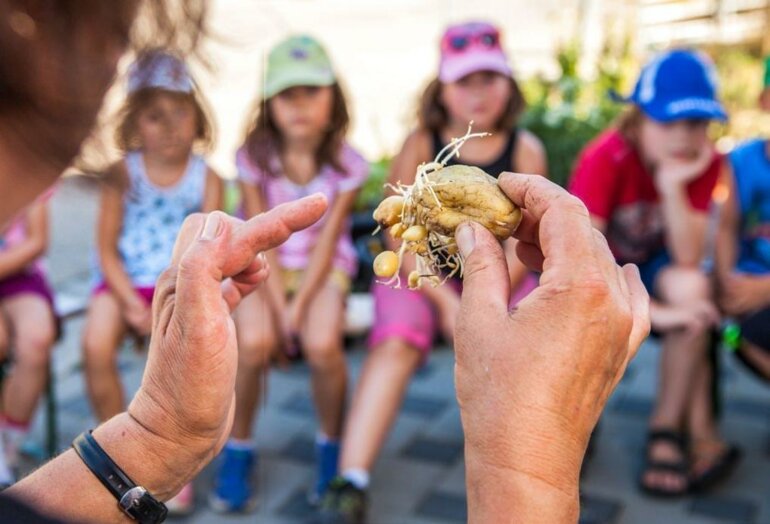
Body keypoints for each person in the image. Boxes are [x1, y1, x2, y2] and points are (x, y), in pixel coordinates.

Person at [0, 1, 649, 521]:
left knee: (323, 343)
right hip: (380, 287)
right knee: (301, 343)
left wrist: (159, 436)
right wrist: (526, 471)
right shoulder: (383, 150)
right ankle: (315, 466)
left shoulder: (473, 153)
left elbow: (469, 247)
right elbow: (400, 235)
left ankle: (334, 455)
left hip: (355, 283)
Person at [319, 20, 547, 523]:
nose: (478, 92)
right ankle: (349, 478)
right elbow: (395, 231)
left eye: (489, 78)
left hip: (501, 275)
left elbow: (529, 239)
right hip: (422, 273)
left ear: (508, 84)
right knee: (395, 341)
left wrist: (484, 296)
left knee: (523, 348)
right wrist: (448, 301)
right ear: (441, 89)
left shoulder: (525, 149)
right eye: (464, 81)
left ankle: (532, 467)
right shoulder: (423, 142)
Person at [569, 49, 739, 496]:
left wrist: (671, 184)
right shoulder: (604, 157)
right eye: (669, 123)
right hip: (599, 266)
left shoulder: (703, 162)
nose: (684, 137)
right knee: (584, 310)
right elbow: (585, 253)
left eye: (697, 124)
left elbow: (686, 257)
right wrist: (657, 314)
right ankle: (573, 421)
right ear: (637, 118)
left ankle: (665, 427)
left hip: (657, 269)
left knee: (694, 288)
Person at [209, 35, 368, 512]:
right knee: (253, 341)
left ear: (333, 96)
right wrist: (279, 309)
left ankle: (331, 446)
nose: (299, 105)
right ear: (268, 103)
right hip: (264, 266)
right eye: (286, 94)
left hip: (322, 271)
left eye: (311, 92)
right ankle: (239, 446)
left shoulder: (348, 162)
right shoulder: (254, 158)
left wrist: (297, 312)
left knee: (322, 343)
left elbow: (327, 245)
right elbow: (259, 236)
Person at [80, 49, 222, 514]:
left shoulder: (208, 178)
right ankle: (120, 448)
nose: (169, 126)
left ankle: (172, 457)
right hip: (123, 281)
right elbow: (105, 247)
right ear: (133, 121)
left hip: (181, 281)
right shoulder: (124, 173)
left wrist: (170, 299)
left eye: (180, 112)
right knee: (96, 345)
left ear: (198, 116)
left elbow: (208, 247)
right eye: (154, 116)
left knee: (186, 358)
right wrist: (129, 302)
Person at [716, 56, 770, 383]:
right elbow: (725, 227)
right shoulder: (741, 161)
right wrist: (726, 281)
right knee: (736, 335)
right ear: (764, 100)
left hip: (763, 289)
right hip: (748, 289)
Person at [0, 199, 57, 487]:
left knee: (37, 338)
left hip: (19, 273)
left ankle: (9, 445)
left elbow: (36, 241)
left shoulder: (25, 164)